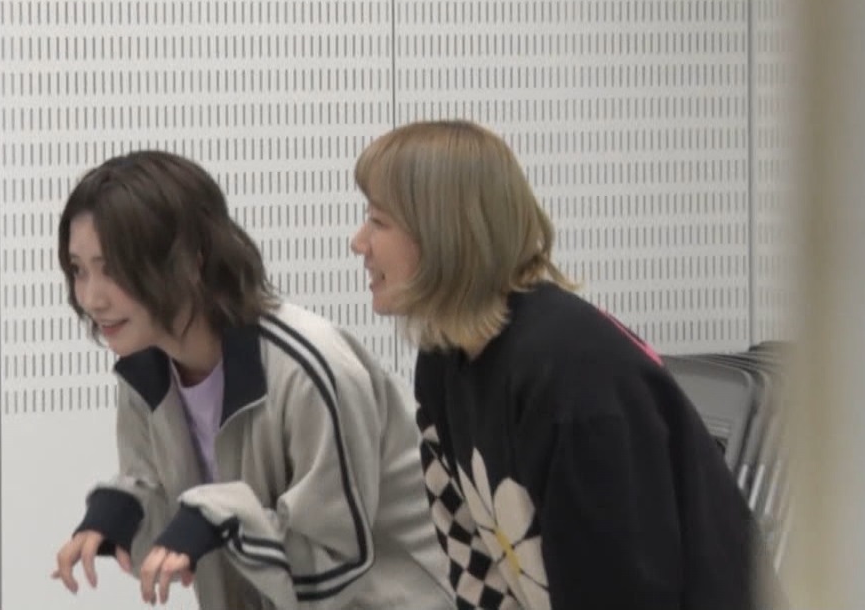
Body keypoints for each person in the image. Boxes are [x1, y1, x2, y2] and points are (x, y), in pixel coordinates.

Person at [350, 119, 784, 610]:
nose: (358, 242)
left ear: (443, 234)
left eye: (378, 221)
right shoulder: (444, 358)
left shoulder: (573, 379)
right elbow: (472, 562)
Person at [49, 150, 452, 609]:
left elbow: (335, 562)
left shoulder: (309, 369)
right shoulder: (145, 372)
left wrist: (220, 518)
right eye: (78, 269)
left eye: (112, 269)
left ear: (191, 261)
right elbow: (180, 517)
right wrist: (123, 514)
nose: (91, 298)